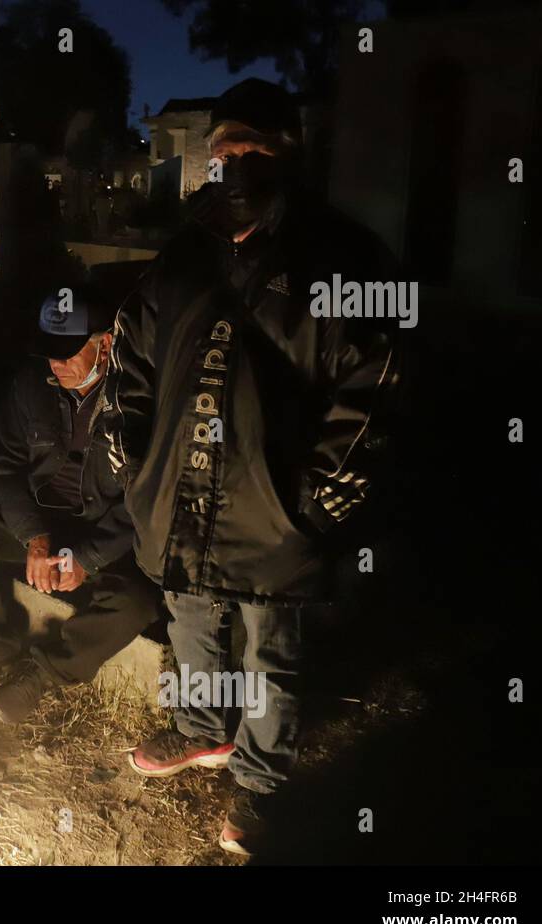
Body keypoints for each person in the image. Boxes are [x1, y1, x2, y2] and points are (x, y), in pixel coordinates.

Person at [106, 78, 401, 855]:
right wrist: (136, 466)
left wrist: (316, 499)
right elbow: (130, 357)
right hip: (180, 489)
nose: (233, 160)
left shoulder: (342, 254)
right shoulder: (184, 252)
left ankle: (263, 779)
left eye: (252, 146)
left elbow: (370, 386)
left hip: (274, 501)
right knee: (194, 614)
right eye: (223, 147)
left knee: (270, 645)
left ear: (287, 150)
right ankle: (204, 726)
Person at [0, 292, 164, 724]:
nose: (57, 365)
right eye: (49, 354)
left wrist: (89, 557)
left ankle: (43, 676)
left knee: (138, 600)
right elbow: (4, 468)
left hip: (105, 534)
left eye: (68, 352)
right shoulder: (31, 384)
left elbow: (148, 500)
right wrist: (33, 535)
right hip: (43, 520)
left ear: (107, 343)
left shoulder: (139, 401)